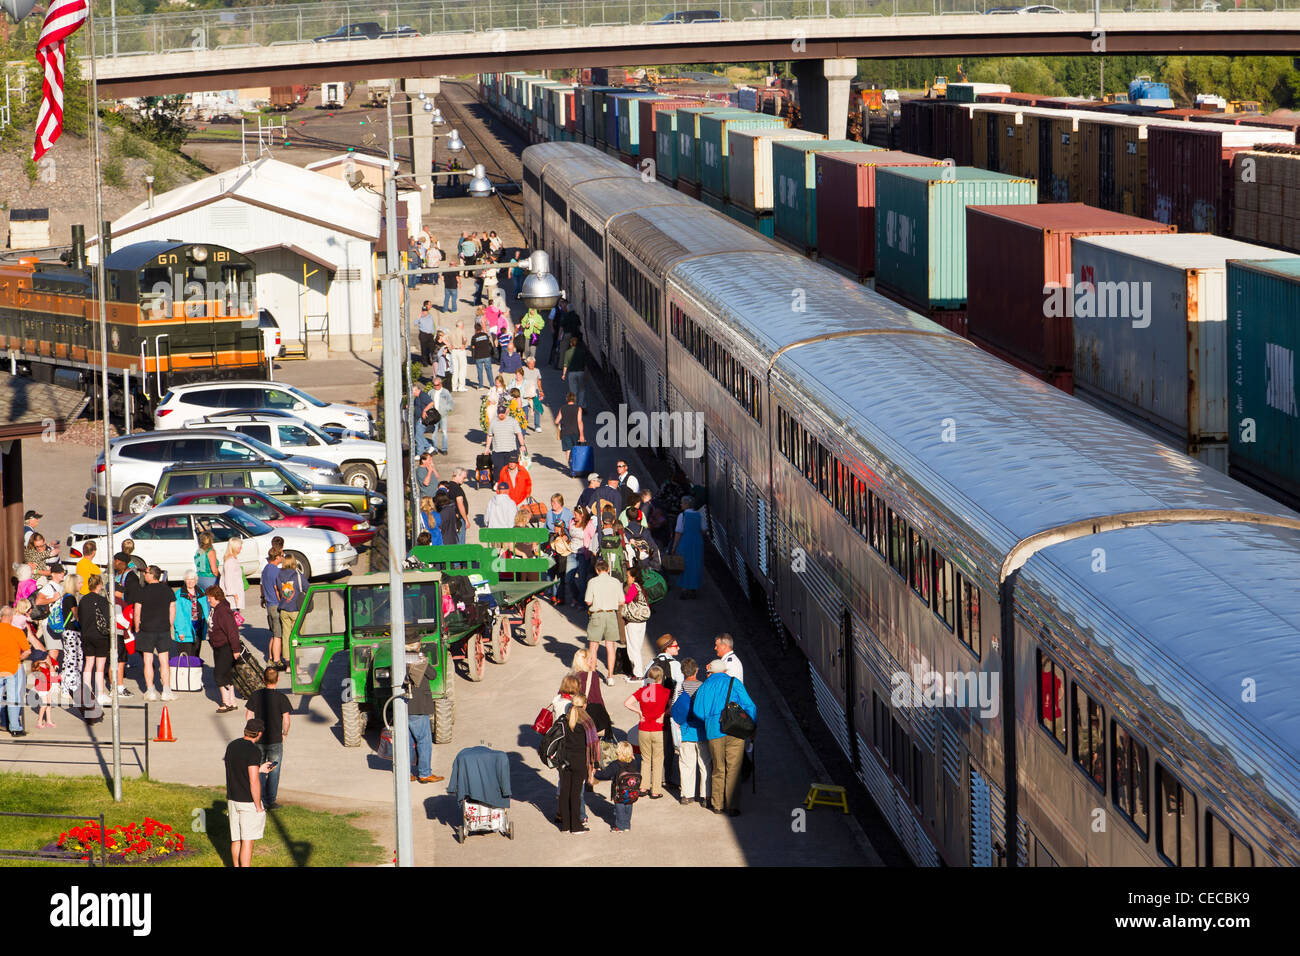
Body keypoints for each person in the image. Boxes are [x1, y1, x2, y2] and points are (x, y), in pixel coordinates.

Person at [691, 668, 757, 816]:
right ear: (724, 670)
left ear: (711, 672)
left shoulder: (705, 686)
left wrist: (709, 720)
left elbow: (697, 710)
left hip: (714, 732)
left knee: (718, 768)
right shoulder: (734, 682)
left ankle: (717, 805)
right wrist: (752, 726)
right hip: (736, 730)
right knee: (733, 768)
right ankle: (732, 806)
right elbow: (750, 706)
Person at [225, 719, 274, 867]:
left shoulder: (232, 745)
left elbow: (238, 769)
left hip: (232, 799)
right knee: (248, 841)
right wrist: (258, 806)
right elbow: (254, 782)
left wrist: (259, 768)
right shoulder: (254, 751)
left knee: (236, 839)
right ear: (259, 734)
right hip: (247, 802)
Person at [245, 667, 292, 809]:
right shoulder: (281, 698)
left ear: (263, 679)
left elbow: (248, 715)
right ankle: (270, 800)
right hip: (275, 739)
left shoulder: (255, 695)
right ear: (278, 679)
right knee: (273, 769)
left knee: (257, 767)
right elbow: (286, 720)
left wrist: (251, 733)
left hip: (258, 738)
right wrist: (284, 733)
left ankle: (257, 796)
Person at [625, 664, 670, 799]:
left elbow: (627, 703)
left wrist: (639, 712)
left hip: (644, 728)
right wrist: (663, 715)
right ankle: (655, 790)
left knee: (645, 759)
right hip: (658, 728)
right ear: (661, 678)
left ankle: (643, 787)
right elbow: (671, 707)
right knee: (657, 760)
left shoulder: (642, 691)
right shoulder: (666, 692)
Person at [133, 565, 177, 701]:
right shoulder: (168, 590)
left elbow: (137, 611)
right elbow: (172, 608)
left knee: (148, 661)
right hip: (163, 629)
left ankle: (150, 690)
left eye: (146, 573)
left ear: (152, 575)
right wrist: (170, 624)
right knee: (164, 661)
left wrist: (136, 627)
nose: (144, 575)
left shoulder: (142, 591)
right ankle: (166, 690)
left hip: (146, 629)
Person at [404, 639, 445, 784]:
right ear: (415, 646)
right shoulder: (418, 659)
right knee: (424, 740)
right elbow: (432, 675)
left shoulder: (397, 659)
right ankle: (425, 773)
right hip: (418, 706)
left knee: (407, 742)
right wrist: (422, 659)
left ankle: (406, 772)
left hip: (403, 706)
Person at [556, 697, 599, 834]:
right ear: (584, 705)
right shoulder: (587, 722)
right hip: (579, 761)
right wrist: (595, 763)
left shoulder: (564, 720)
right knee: (575, 794)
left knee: (564, 791)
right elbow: (594, 744)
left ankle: (565, 825)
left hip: (564, 760)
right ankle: (576, 826)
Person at [673, 658, 711, 806]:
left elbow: (675, 709)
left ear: (683, 672)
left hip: (686, 731)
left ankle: (686, 795)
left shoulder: (680, 687)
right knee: (705, 764)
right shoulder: (703, 686)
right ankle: (705, 795)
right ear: (696, 670)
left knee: (686, 764)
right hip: (702, 731)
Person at [584, 558, 624, 686]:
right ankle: (610, 676)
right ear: (608, 569)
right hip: (611, 614)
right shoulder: (616, 581)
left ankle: (593, 673)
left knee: (593, 646)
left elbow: (588, 601)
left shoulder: (592, 582)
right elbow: (621, 601)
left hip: (597, 614)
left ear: (596, 570)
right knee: (610, 646)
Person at [78, 574, 113, 707]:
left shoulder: (83, 600)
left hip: (86, 635)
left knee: (88, 664)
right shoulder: (103, 601)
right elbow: (108, 619)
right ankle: (100, 694)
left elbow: (80, 618)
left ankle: (87, 693)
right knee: (100, 667)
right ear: (99, 585)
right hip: (100, 636)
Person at [593, 741, 640, 833]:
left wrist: (595, 773)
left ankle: (620, 826)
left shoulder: (616, 764)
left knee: (620, 808)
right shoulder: (633, 762)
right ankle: (627, 825)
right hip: (632, 790)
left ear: (618, 752)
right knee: (628, 806)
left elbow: (605, 775)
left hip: (619, 791)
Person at [208, 586, 241, 714]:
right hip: (218, 646)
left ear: (216, 598)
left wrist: (235, 649)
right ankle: (232, 701)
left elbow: (232, 632)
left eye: (210, 598)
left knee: (219, 675)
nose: (208, 600)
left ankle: (226, 702)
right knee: (226, 674)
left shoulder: (223, 612)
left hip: (225, 647)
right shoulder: (216, 609)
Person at [0, 606, 31, 736]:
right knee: (14, 698)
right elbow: (27, 651)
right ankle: (14, 728)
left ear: (1, 617)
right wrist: (19, 657)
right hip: (13, 667)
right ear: (11, 617)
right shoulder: (17, 631)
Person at [571, 648, 613, 738]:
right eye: (590, 658)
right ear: (584, 661)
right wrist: (605, 714)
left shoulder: (572, 676)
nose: (593, 660)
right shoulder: (593, 675)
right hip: (589, 713)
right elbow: (597, 697)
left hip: (575, 713)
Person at [672, 495, 705, 598]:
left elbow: (678, 532)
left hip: (685, 542)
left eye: (682, 502)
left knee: (684, 564)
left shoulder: (682, 516)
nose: (681, 504)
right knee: (696, 564)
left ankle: (685, 589)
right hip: (697, 542)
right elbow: (704, 529)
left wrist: (674, 547)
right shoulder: (700, 515)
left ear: (686, 504)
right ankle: (693, 588)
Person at [622, 567, 652, 681]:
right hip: (642, 621)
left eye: (628, 576)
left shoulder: (634, 587)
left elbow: (627, 600)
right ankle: (637, 672)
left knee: (633, 648)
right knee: (637, 646)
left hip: (633, 622)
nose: (627, 578)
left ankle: (638, 674)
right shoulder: (642, 588)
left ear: (634, 577)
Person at [175, 569, 210, 661]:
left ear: (196, 580)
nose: (190, 582)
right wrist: (180, 631)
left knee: (195, 656)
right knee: (185, 658)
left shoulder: (200, 591)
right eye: (188, 579)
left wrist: (208, 624)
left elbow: (205, 609)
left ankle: (194, 674)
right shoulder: (179, 594)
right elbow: (178, 615)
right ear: (185, 581)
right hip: (186, 629)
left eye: (192, 579)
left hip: (198, 627)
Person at [260, 550, 285, 669]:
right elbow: (277, 588)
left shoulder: (265, 569)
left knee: (274, 633)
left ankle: (270, 658)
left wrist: (263, 598)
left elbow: (262, 585)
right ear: (277, 557)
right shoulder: (277, 571)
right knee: (278, 636)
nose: (283, 557)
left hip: (269, 604)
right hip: (276, 604)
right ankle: (276, 660)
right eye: (282, 556)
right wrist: (283, 602)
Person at [485, 406, 526, 477]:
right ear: (497, 413)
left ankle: (509, 483)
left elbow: (519, 434)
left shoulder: (513, 421)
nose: (501, 415)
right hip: (497, 450)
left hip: (510, 450)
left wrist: (522, 445)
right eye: (500, 413)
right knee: (498, 468)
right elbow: (490, 435)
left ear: (506, 413)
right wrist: (487, 447)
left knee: (510, 469)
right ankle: (498, 483)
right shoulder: (493, 422)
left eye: (503, 413)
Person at [275, 554, 307, 641]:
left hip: (284, 609)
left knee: (286, 635)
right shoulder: (298, 575)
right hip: (296, 609)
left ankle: (286, 654)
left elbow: (279, 589)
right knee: (297, 636)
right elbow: (308, 588)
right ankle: (296, 654)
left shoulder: (279, 575)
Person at [428, 377, 454, 455]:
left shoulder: (445, 392)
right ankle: (435, 449)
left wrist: (446, 409)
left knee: (444, 432)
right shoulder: (431, 392)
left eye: (437, 385)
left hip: (443, 415)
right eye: (434, 385)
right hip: (434, 416)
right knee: (434, 432)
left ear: (440, 384)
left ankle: (444, 449)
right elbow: (427, 402)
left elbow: (451, 403)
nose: (436, 386)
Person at [445, 468, 470, 544]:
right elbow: (460, 504)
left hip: (448, 519)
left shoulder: (448, 487)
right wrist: (466, 520)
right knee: (460, 543)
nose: (465, 480)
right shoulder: (457, 489)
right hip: (458, 519)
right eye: (463, 477)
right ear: (457, 475)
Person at [561, 335, 588, 406]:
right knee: (582, 390)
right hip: (581, 372)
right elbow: (585, 364)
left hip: (572, 373)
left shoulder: (567, 352)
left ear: (570, 343)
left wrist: (563, 374)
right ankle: (581, 405)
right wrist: (586, 374)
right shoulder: (582, 351)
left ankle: (574, 405)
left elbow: (565, 365)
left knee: (573, 391)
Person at [221, 539, 246, 617]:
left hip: (236, 595)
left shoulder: (233, 559)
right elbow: (227, 579)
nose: (241, 548)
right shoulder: (230, 562)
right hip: (233, 598)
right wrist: (233, 594)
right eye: (239, 547)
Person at [521, 355, 544, 432]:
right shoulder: (524, 370)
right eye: (530, 363)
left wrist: (541, 390)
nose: (532, 365)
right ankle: (524, 424)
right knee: (525, 409)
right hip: (526, 391)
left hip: (535, 391)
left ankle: (537, 425)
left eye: (533, 363)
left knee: (536, 408)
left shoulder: (537, 370)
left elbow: (539, 381)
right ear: (527, 363)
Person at [451, 320, 470, 392]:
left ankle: (454, 386)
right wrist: (464, 344)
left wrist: (450, 345)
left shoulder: (452, 332)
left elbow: (445, 338)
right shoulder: (462, 331)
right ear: (461, 326)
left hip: (454, 351)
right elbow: (464, 339)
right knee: (462, 369)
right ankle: (461, 386)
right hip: (460, 350)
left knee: (455, 369)